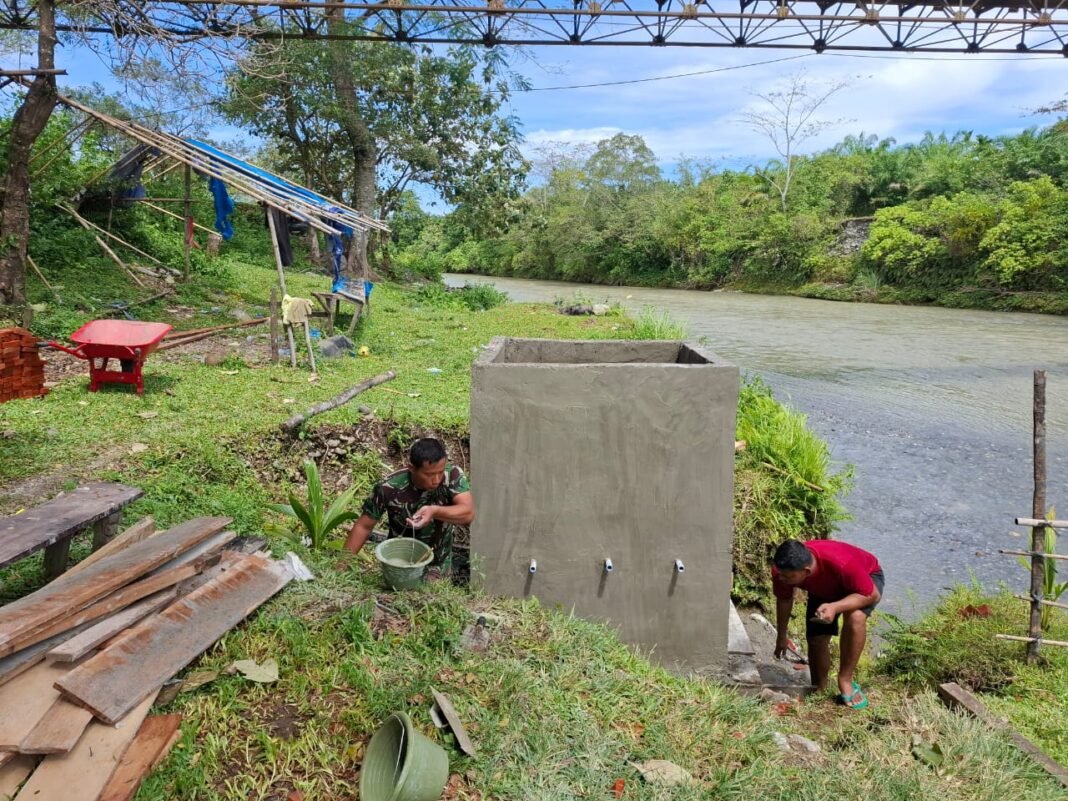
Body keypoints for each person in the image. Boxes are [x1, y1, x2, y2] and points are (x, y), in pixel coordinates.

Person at [771, 539, 884, 709]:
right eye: (781, 574)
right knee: (817, 637)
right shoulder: (783, 569)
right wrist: (781, 636)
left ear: (806, 571)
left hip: (862, 583)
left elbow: (871, 594)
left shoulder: (842, 563)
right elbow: (785, 599)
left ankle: (846, 679)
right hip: (824, 588)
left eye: (788, 576)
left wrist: (836, 606)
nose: (782, 578)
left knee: (855, 617)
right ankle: (819, 688)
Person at [344, 437, 474, 580]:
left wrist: (434, 511)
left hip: (437, 564)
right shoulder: (388, 488)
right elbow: (363, 527)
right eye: (429, 474)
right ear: (411, 468)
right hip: (399, 563)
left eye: (440, 472)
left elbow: (467, 513)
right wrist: (341, 568)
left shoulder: (452, 476)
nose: (436, 479)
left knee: (429, 594)